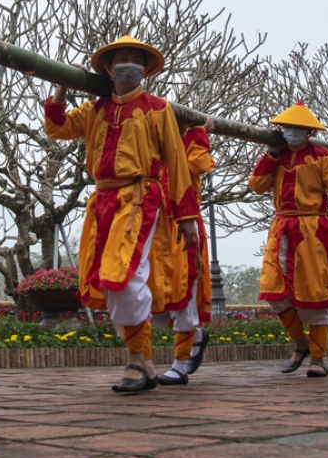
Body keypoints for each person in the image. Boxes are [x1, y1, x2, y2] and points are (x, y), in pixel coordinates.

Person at [43, 35, 199, 393]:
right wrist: (62, 88)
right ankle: (141, 360)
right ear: (108, 68)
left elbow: (177, 162)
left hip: (139, 200)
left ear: (146, 69)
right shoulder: (94, 109)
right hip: (101, 202)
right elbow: (57, 127)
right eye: (121, 57)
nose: (128, 63)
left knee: (124, 276)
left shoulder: (158, 109)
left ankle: (135, 360)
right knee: (107, 280)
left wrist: (186, 216)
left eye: (136, 58)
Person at [251, 102, 328, 379]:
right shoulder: (276, 155)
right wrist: (270, 154)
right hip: (281, 228)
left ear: (308, 131)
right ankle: (300, 344)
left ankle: (317, 358)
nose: (290, 132)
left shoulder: (323, 156)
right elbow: (256, 185)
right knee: (273, 291)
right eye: (286, 128)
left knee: (315, 294)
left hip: (313, 231)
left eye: (296, 128)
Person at [152, 118, 215, 385]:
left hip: (183, 225)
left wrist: (199, 135)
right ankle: (196, 336)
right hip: (155, 228)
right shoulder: (152, 145)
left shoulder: (190, 141)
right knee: (151, 298)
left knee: (183, 292)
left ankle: (180, 365)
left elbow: (198, 166)